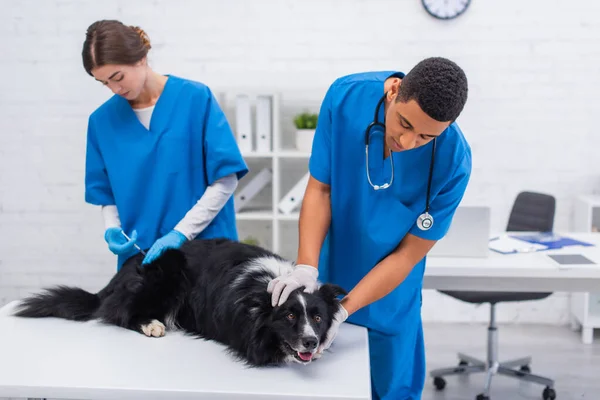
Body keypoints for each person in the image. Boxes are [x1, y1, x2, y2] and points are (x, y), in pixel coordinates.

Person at [267, 57, 471, 399]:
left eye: (425, 136)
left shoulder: (452, 162)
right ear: (393, 91)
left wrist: (345, 309)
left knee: (391, 390)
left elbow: (407, 256)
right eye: (404, 123)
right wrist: (305, 266)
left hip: (389, 298)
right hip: (327, 284)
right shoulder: (346, 98)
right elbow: (321, 189)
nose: (408, 141)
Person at [82, 20, 248, 270]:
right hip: (144, 258)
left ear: (141, 58)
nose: (114, 89)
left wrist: (181, 234)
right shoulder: (101, 122)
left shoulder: (195, 99)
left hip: (208, 253)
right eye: (104, 83)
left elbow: (225, 179)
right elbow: (106, 194)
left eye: (118, 77)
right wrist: (112, 228)